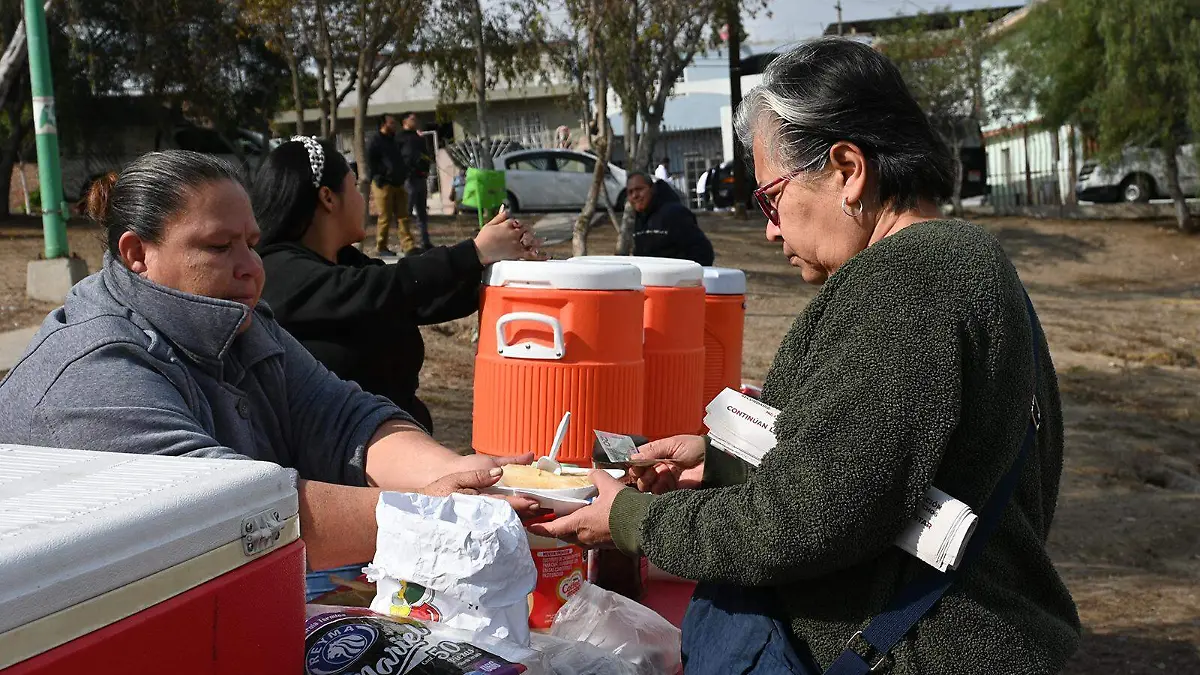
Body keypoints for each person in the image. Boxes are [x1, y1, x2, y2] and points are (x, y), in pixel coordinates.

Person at [531, 38, 1080, 674]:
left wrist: (630, 519)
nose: (769, 228)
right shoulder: (954, 267)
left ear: (848, 170)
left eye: (771, 198)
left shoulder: (911, 284)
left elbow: (809, 516)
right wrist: (721, 458)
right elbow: (885, 462)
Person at [0, 150, 536, 601]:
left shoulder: (241, 322)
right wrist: (430, 514)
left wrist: (470, 477)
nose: (251, 268)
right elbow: (238, 513)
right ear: (138, 253)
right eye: (218, 246)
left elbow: (342, 417)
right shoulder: (91, 372)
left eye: (252, 244)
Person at [252, 136, 544, 433]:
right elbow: (382, 287)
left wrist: (500, 270)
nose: (362, 198)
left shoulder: (344, 261)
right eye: (354, 187)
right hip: (339, 463)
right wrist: (474, 252)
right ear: (328, 198)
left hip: (399, 450)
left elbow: (417, 298)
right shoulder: (275, 271)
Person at [625, 172, 714, 266]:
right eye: (630, 192)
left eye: (639, 189)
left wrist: (686, 277)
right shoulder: (638, 219)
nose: (635, 195)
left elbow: (703, 253)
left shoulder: (675, 214)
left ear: (652, 189)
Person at [367, 114, 412, 256]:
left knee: (403, 216)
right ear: (383, 124)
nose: (394, 125)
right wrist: (380, 176)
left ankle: (408, 246)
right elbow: (370, 162)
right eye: (391, 123)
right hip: (383, 185)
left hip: (398, 183)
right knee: (385, 217)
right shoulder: (375, 141)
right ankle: (381, 247)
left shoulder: (394, 141)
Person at [398, 112, 433, 251]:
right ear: (405, 121)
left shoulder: (419, 138)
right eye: (412, 119)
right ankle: (406, 243)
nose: (415, 121)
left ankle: (425, 241)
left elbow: (426, 155)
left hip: (420, 177)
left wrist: (425, 168)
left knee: (421, 212)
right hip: (408, 179)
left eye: (415, 119)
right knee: (406, 212)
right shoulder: (399, 138)